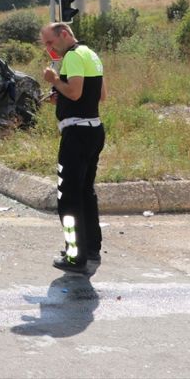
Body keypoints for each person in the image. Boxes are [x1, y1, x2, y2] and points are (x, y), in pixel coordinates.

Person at [40, 22, 108, 275]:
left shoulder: (71, 56)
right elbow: (100, 95)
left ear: (64, 34)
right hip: (94, 130)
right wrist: (62, 92)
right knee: (85, 192)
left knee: (67, 196)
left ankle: (74, 256)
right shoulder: (90, 54)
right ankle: (91, 247)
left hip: (77, 134)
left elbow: (76, 93)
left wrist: (55, 80)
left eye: (50, 41)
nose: (49, 48)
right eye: (45, 44)